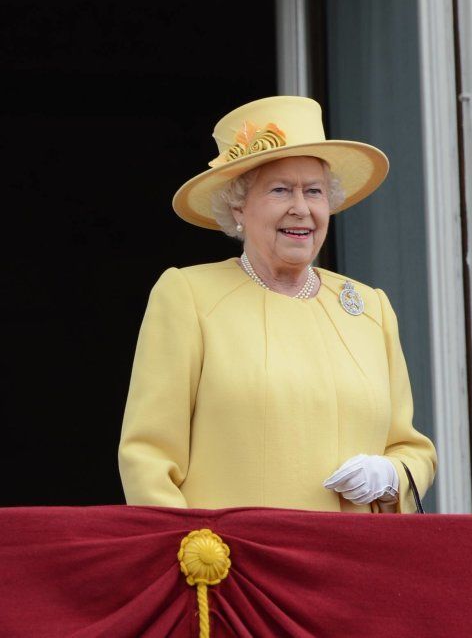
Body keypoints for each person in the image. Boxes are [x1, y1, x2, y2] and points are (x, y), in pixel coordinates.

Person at [119, 96, 436, 513]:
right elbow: (149, 458)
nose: (301, 209)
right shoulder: (189, 296)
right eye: (281, 190)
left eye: (315, 191)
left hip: (354, 563)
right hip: (237, 566)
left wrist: (392, 476)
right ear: (238, 208)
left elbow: (411, 448)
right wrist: (191, 556)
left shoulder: (369, 308)